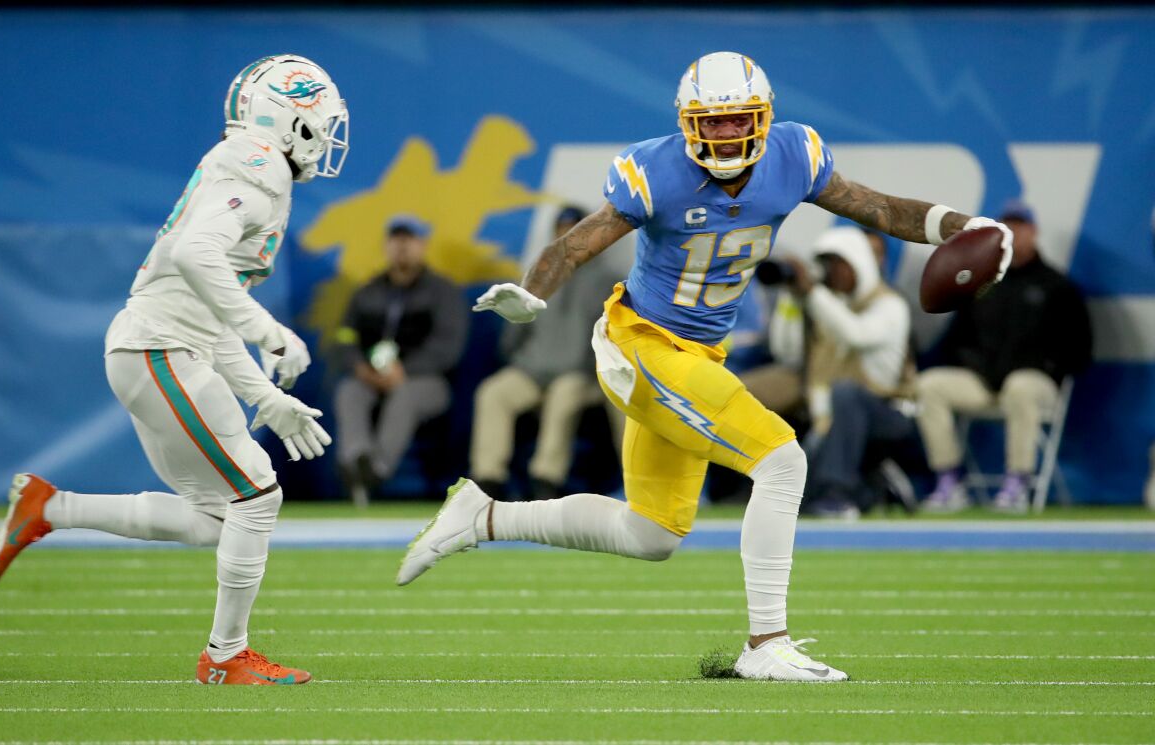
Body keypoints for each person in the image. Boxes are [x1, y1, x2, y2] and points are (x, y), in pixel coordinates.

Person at [397, 51, 1014, 682]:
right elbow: (575, 242)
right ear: (687, 123)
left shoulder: (795, 155)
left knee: (651, 534)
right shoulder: (654, 170)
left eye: (735, 119)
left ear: (764, 117)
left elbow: (881, 209)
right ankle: (766, 642)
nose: (722, 133)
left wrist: (968, 227)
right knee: (782, 458)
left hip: (697, 353)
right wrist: (534, 292)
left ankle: (482, 515)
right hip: (641, 343)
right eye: (709, 122)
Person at [0, 55, 346, 684]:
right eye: (322, 119)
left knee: (219, 517)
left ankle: (49, 508)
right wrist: (269, 329)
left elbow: (208, 306)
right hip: (160, 350)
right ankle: (225, 657)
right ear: (291, 118)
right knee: (257, 495)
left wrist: (265, 396)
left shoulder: (252, 166)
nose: (330, 135)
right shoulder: (259, 166)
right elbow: (195, 253)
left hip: (166, 348)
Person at [918, 200, 1092, 514]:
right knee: (930, 385)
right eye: (1007, 227)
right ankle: (949, 480)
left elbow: (1079, 348)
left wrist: (1048, 368)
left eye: (1020, 227)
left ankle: (1018, 482)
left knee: (1020, 387)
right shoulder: (983, 283)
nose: (1014, 233)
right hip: (985, 383)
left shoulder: (1056, 286)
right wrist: (974, 363)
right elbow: (956, 340)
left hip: (1034, 384)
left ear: (1033, 232)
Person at [469, 206, 620, 501]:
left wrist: (593, 369)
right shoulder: (539, 276)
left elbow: (616, 336)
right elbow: (512, 334)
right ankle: (488, 480)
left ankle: (546, 478)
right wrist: (519, 359)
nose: (568, 235)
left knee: (563, 397)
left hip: (581, 375)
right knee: (493, 393)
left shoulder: (608, 280)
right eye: (562, 228)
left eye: (575, 228)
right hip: (533, 372)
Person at [332, 215, 468, 503]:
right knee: (349, 391)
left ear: (423, 245)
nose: (402, 247)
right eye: (396, 240)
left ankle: (376, 469)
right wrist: (358, 366)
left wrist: (403, 370)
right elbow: (344, 337)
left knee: (404, 395)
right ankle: (357, 459)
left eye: (410, 240)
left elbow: (448, 347)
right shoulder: (367, 291)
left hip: (426, 382)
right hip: (371, 377)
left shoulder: (442, 292)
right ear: (386, 245)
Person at [788, 227, 918, 519]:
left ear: (859, 262)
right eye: (829, 266)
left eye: (840, 265)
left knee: (847, 393)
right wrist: (792, 300)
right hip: (840, 422)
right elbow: (792, 354)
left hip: (890, 415)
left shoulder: (890, 305)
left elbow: (855, 334)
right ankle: (873, 486)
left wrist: (812, 293)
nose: (834, 274)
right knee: (799, 500)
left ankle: (839, 493)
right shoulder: (831, 305)